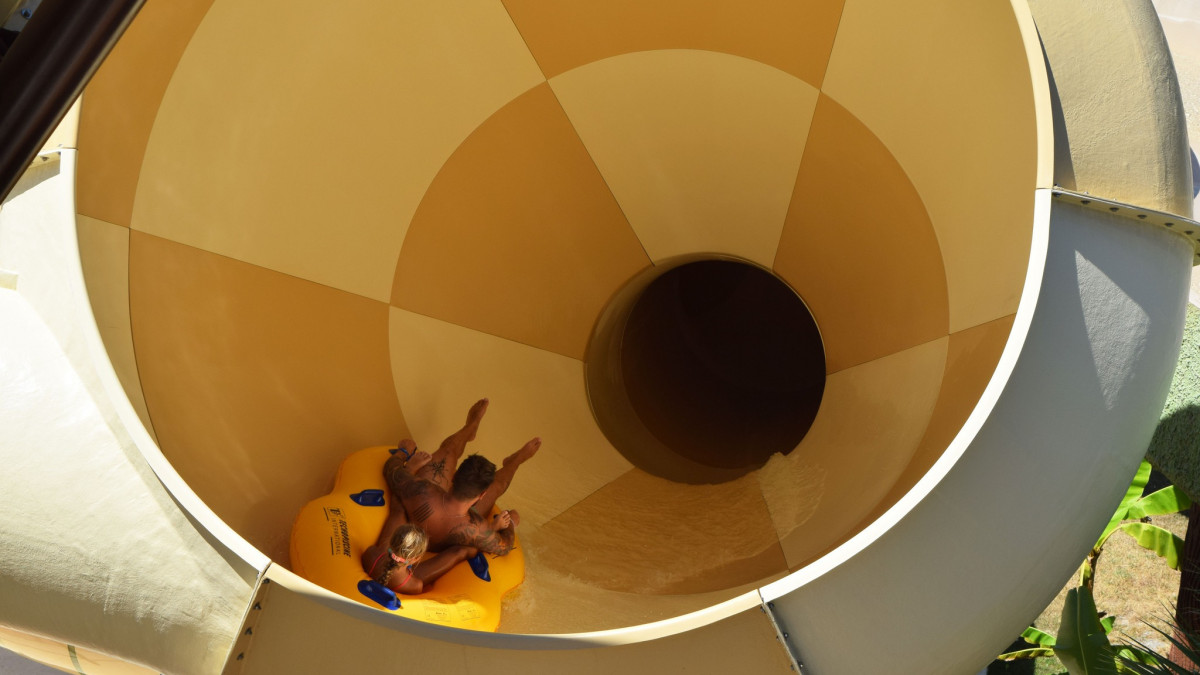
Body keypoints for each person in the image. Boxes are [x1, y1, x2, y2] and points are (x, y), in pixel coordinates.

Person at [384, 398, 540, 556]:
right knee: (497, 485)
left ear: (454, 476)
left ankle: (475, 430)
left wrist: (403, 452)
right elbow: (504, 546)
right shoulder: (476, 529)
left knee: (448, 450)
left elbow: (391, 469)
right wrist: (511, 522)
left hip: (431, 503)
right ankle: (507, 456)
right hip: (457, 521)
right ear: (481, 495)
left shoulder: (421, 490)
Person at [361, 523, 478, 595]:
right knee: (459, 552)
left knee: (397, 513)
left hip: (385, 568)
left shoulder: (371, 554)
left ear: (390, 542)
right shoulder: (415, 586)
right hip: (403, 580)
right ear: (416, 559)